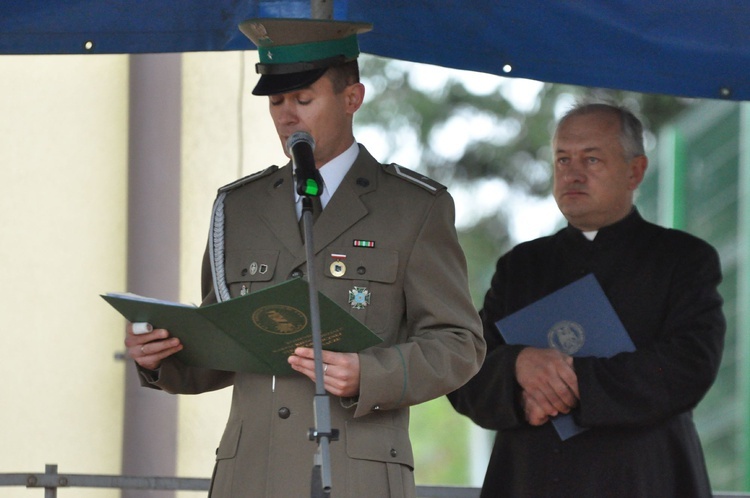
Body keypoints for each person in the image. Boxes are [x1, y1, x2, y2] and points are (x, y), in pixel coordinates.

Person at [124, 17, 485, 498]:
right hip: (252, 475)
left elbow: (459, 344)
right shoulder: (238, 207)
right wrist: (160, 357)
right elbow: (220, 351)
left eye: (304, 100)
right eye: (276, 102)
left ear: (352, 98)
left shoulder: (414, 207)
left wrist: (369, 374)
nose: (287, 116)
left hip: (357, 475)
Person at [449, 101, 725, 497]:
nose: (573, 173)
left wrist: (572, 382)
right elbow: (465, 371)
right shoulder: (522, 265)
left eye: (591, 159)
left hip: (646, 478)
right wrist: (518, 367)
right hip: (533, 479)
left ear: (636, 170)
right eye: (562, 160)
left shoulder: (682, 259)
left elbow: (691, 365)